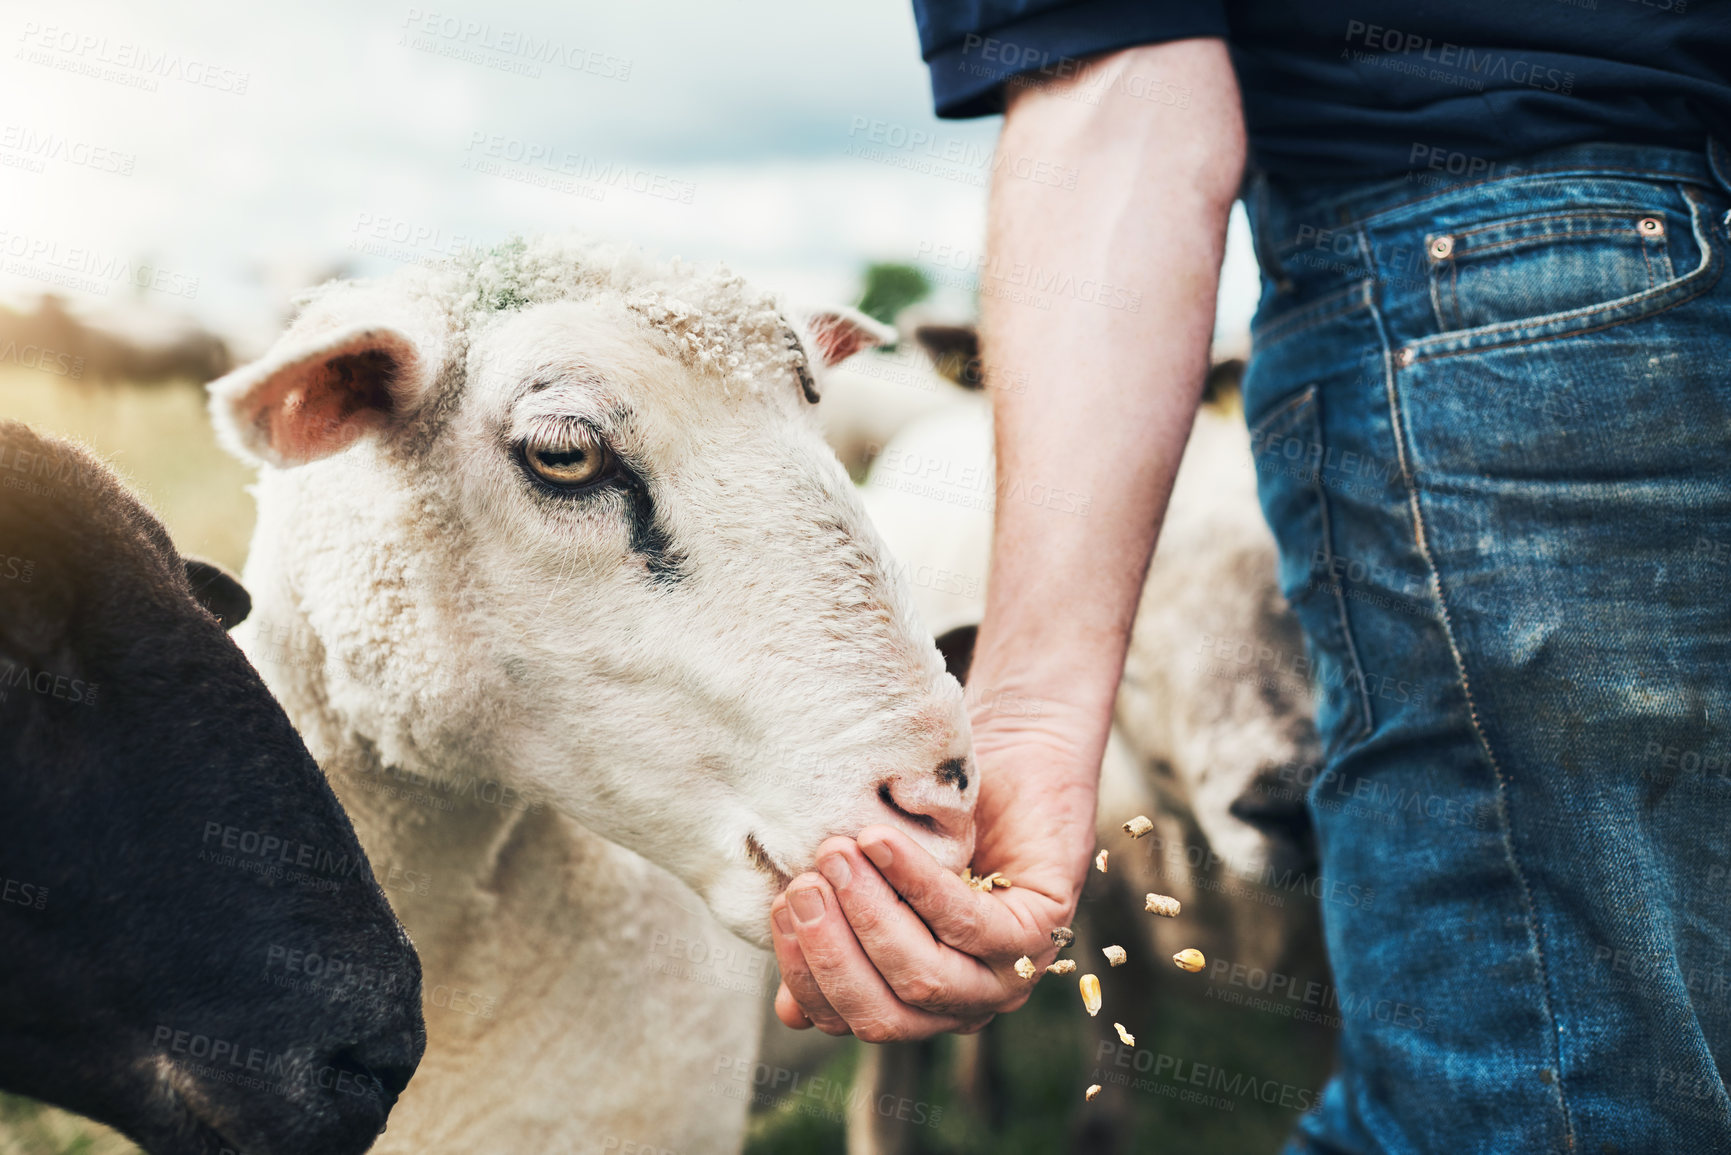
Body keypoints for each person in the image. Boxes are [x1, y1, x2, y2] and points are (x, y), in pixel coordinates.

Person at [769, 4, 1731, 1150]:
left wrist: (1023, 721)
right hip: (1606, 262)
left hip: (1516, 285)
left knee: (1539, 1091)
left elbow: (1118, 87)